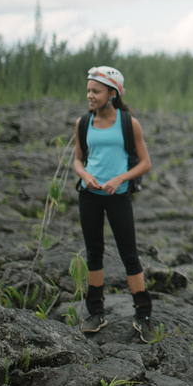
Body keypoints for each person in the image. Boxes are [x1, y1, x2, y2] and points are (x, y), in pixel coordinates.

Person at [72, 66, 154, 342]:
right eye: (88, 90)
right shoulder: (84, 123)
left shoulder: (128, 123)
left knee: (129, 254)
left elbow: (145, 163)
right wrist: (85, 175)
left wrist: (120, 179)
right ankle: (95, 312)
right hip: (89, 195)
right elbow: (78, 160)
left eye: (95, 91)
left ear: (112, 93)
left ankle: (143, 314)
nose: (90, 96)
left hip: (118, 196)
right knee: (94, 253)